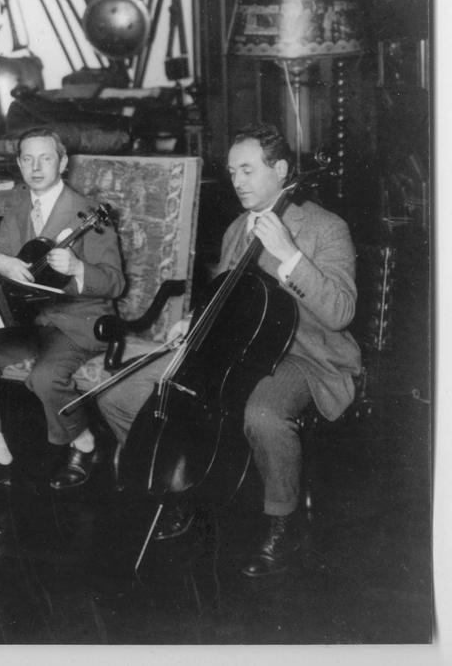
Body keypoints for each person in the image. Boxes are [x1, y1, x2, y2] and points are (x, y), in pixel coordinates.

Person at [95, 124, 361, 578]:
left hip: (305, 356)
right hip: (234, 349)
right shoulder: (238, 228)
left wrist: (290, 255)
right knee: (117, 399)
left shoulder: (325, 227)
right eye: (232, 170)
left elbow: (339, 312)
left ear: (279, 170)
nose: (237, 181)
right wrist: (195, 318)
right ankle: (177, 495)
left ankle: (283, 524)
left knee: (263, 416)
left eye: (248, 170)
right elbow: (225, 294)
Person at [0, 126, 125, 494]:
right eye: (27, 158)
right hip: (30, 321)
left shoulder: (88, 212)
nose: (36, 166)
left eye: (45, 157)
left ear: (62, 162)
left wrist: (78, 269)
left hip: (79, 322)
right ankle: (0, 459)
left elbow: (114, 283)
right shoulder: (19, 208)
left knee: (45, 377)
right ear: (18, 164)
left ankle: (84, 444)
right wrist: (4, 263)